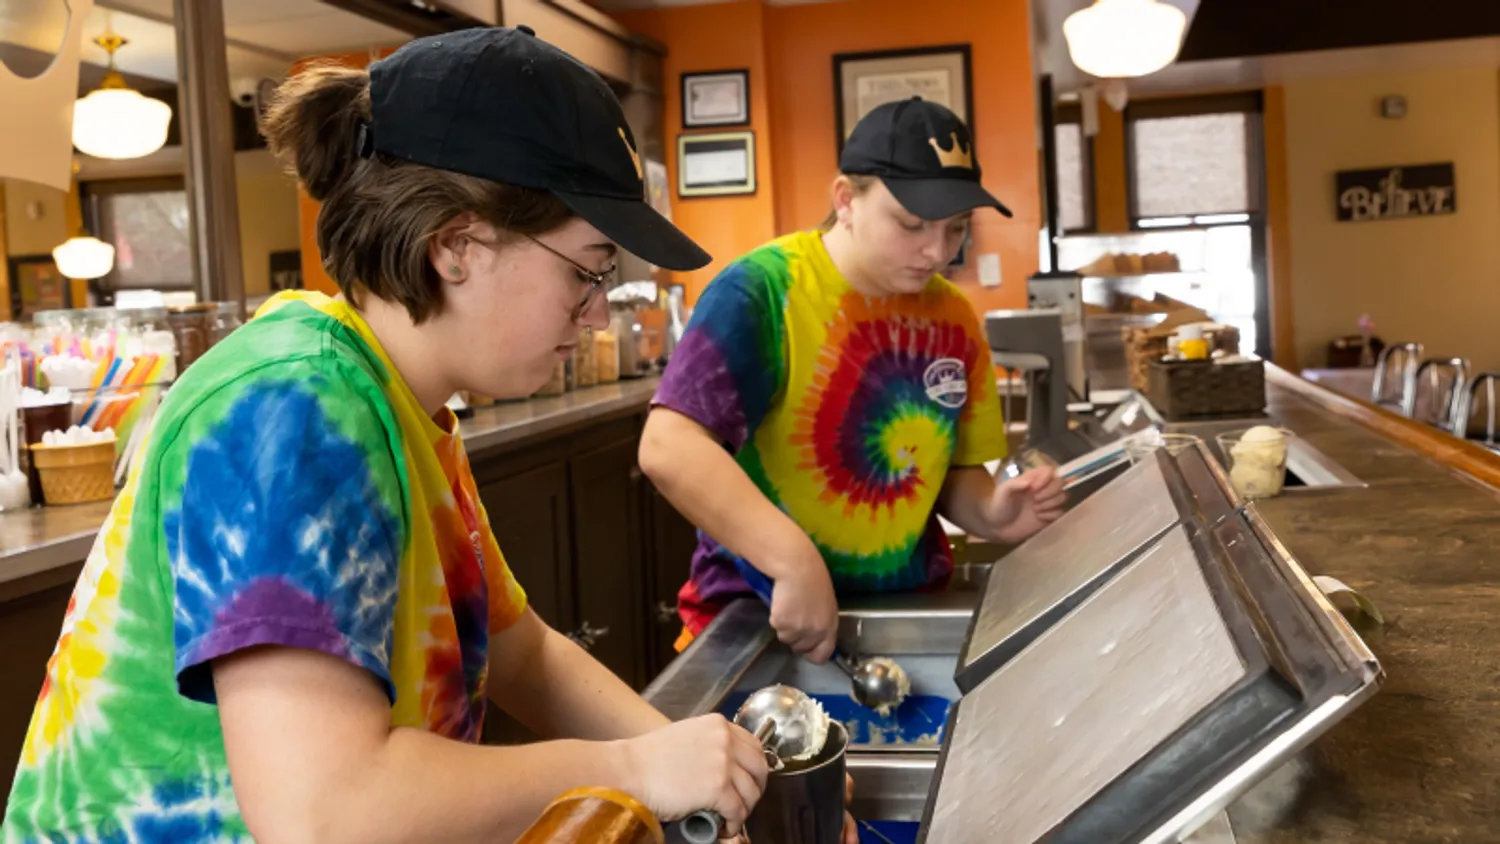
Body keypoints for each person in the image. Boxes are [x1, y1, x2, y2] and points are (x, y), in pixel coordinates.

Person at [2, 27, 777, 844]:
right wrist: (635, 771)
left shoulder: (404, 403)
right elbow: (324, 813)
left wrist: (686, 757)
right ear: (457, 245)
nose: (594, 314)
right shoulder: (295, 405)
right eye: (585, 272)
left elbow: (522, 653)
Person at [640, 97, 1068, 661]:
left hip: (907, 618)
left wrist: (991, 513)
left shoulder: (953, 318)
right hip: (756, 621)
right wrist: (792, 560)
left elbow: (949, 472)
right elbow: (668, 447)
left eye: (956, 228)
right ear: (845, 200)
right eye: (912, 224)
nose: (937, 251)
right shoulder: (764, 292)